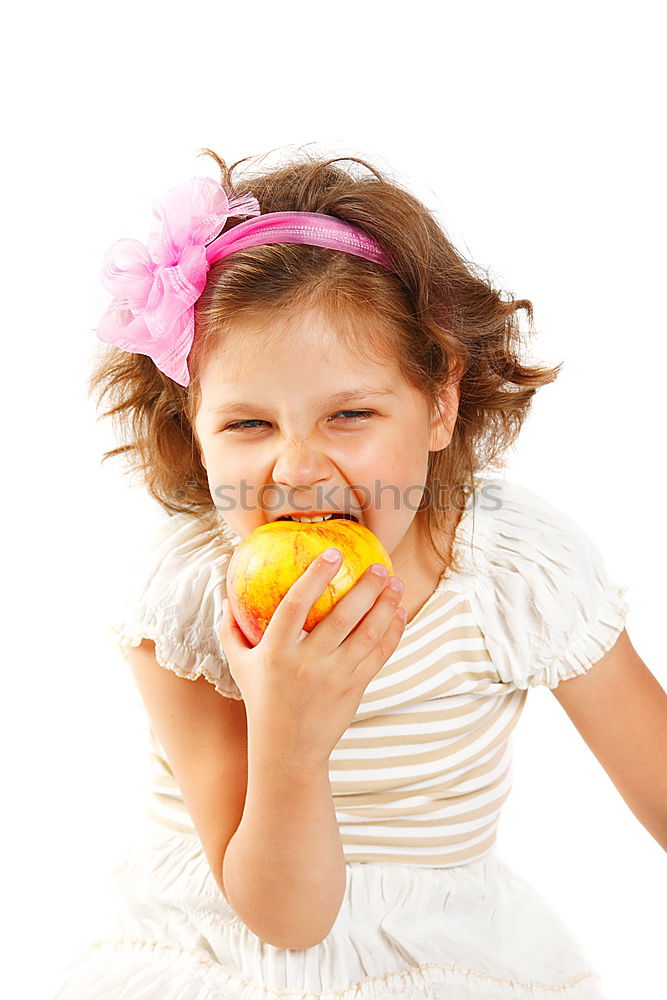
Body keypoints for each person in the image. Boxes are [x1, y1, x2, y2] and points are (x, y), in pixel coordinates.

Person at [52, 146, 666, 1000]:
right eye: (247, 424)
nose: (298, 469)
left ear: (440, 404)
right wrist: (291, 741)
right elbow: (287, 922)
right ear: (193, 430)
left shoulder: (510, 572)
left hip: (444, 956)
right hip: (227, 946)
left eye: (349, 413)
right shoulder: (189, 602)